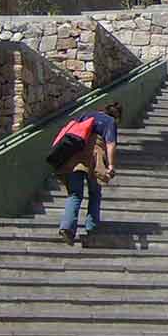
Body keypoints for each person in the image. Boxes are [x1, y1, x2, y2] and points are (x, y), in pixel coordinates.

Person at [57, 101, 121, 245]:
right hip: (94, 159)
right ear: (117, 116)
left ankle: (67, 227)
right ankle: (92, 228)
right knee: (94, 192)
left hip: (74, 157)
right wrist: (111, 165)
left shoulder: (87, 115)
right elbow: (110, 143)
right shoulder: (110, 122)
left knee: (74, 194)